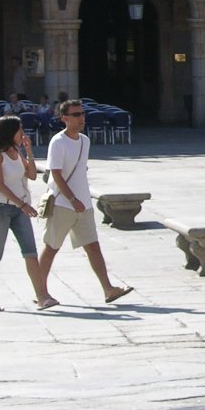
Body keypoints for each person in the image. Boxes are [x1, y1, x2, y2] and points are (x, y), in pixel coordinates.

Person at [36, 97, 133, 306]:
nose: (81, 118)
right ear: (64, 118)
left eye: (82, 114)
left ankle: (108, 289)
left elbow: (80, 169)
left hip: (84, 205)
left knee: (93, 247)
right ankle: (40, 292)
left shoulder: (84, 141)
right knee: (51, 247)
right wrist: (72, 199)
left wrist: (82, 199)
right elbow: (56, 174)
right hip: (63, 203)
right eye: (76, 115)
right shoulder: (58, 142)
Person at [0, 115, 51, 311]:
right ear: (10, 132)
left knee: (30, 252)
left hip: (20, 208)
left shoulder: (17, 152)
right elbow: (1, 186)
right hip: (1, 208)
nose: (23, 133)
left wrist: (28, 150)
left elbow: (32, 175)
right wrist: (23, 205)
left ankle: (42, 296)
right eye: (20, 130)